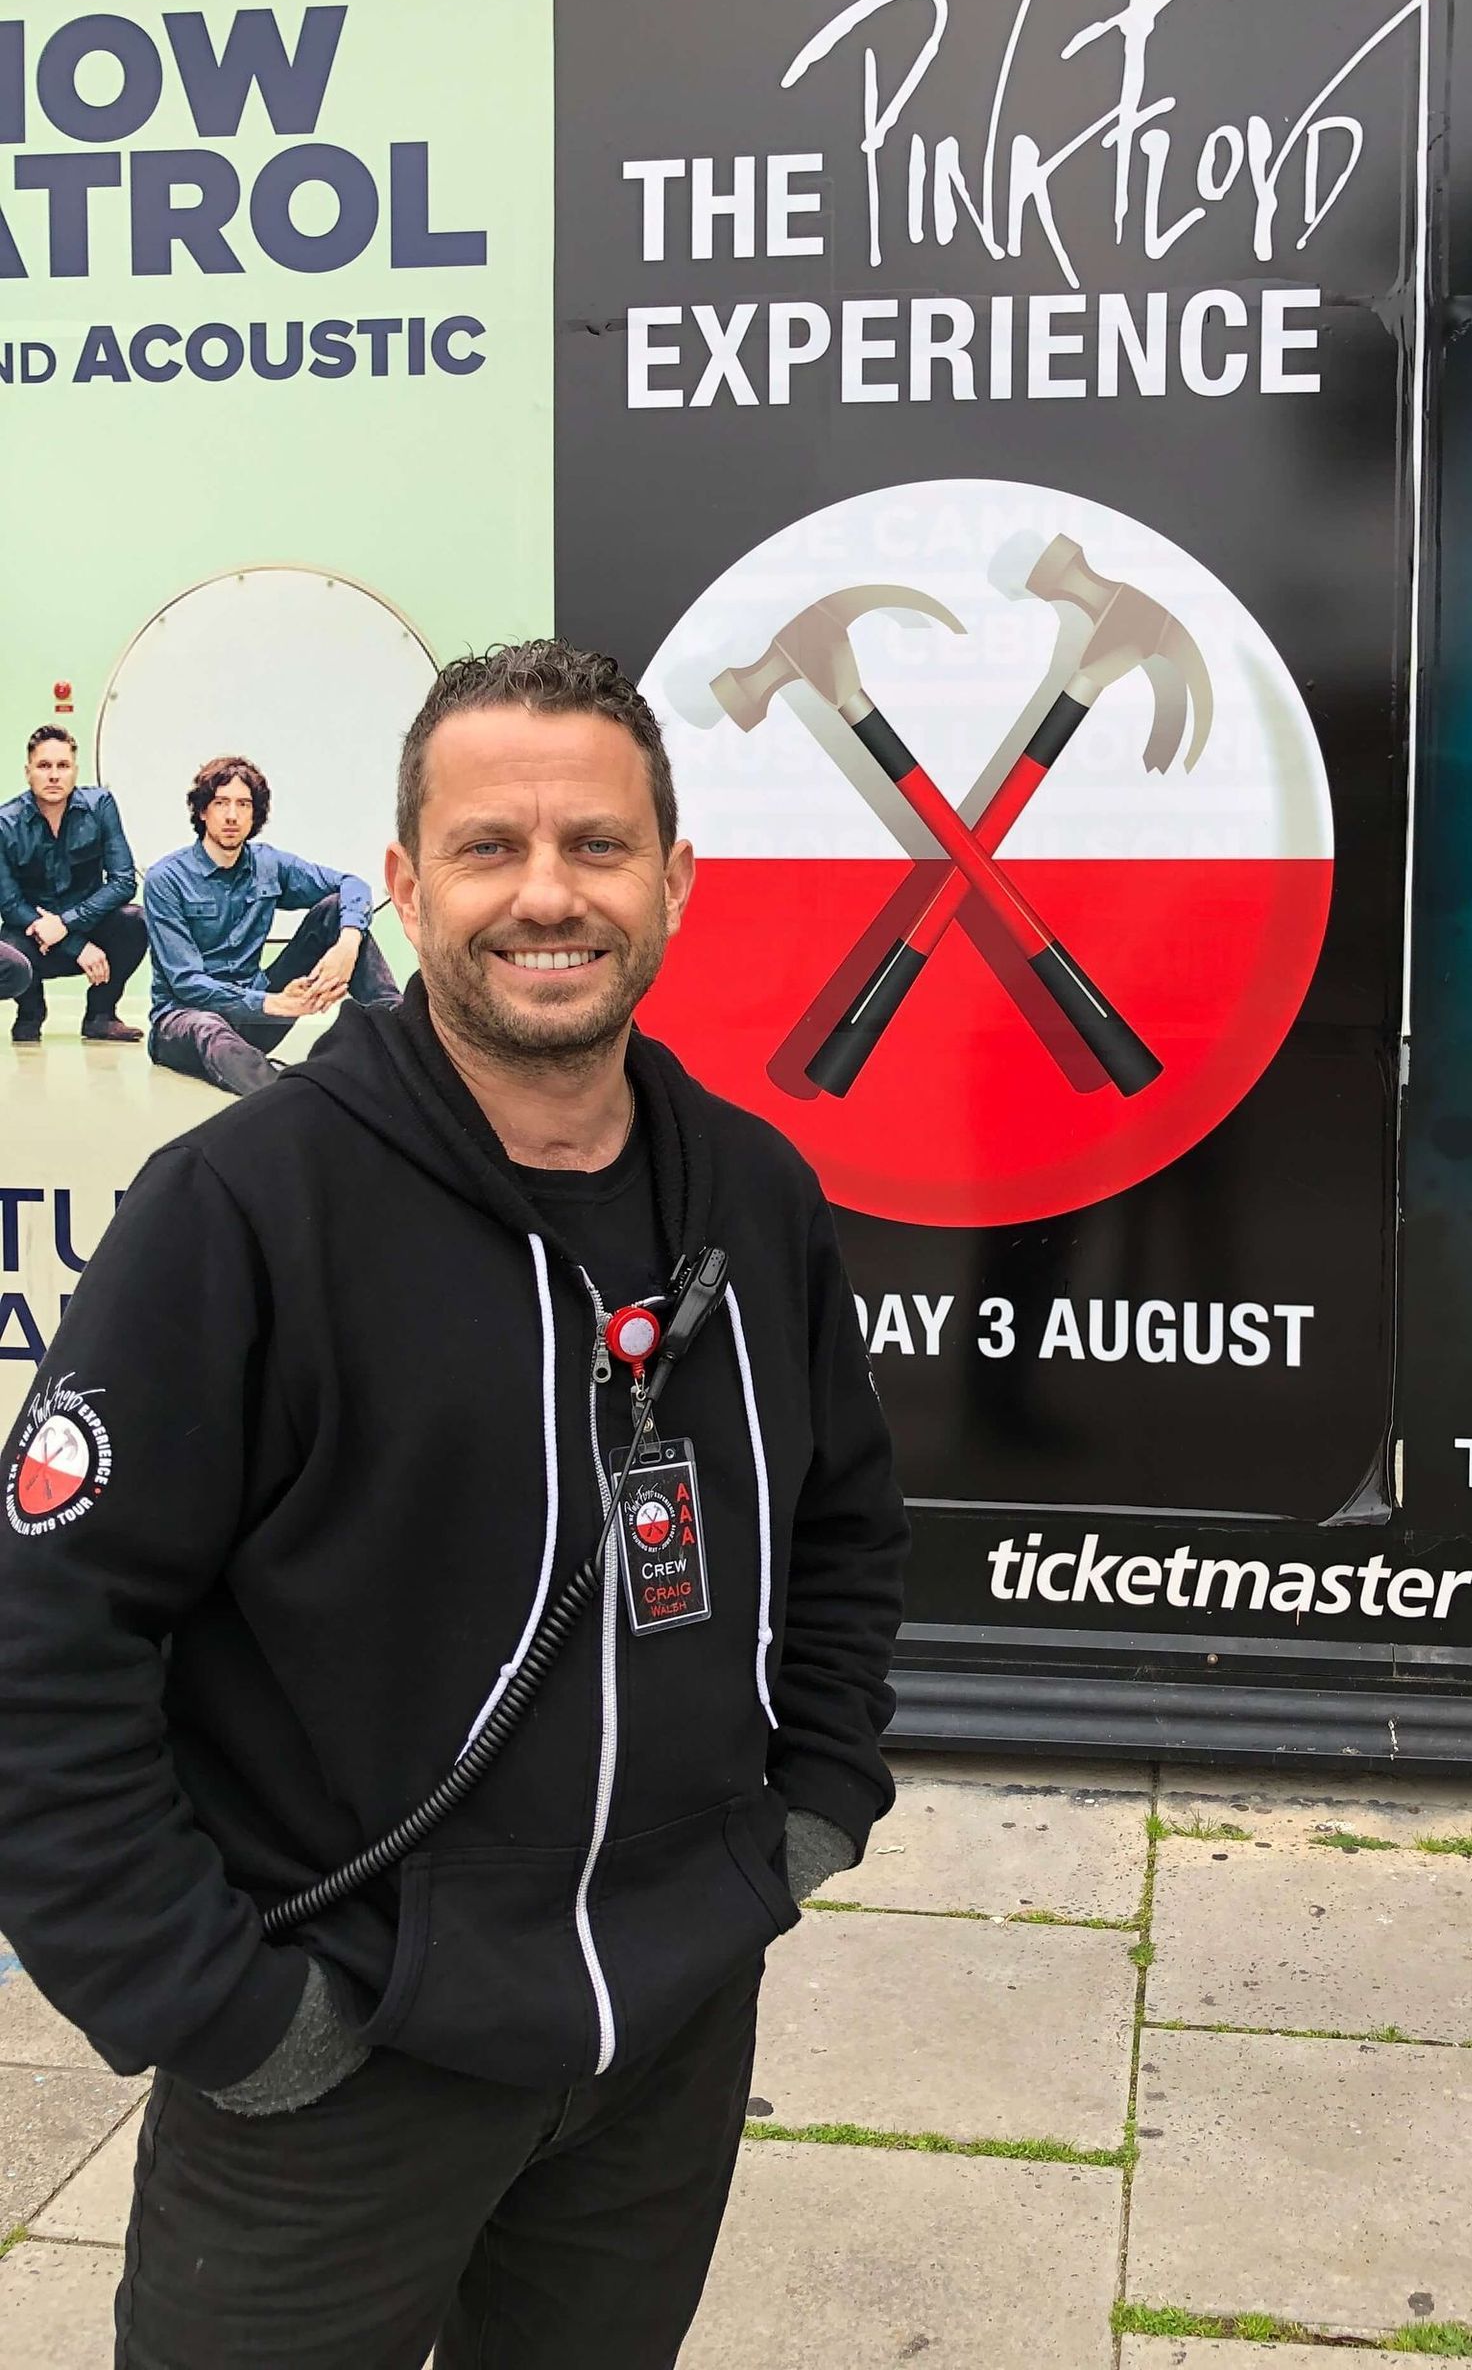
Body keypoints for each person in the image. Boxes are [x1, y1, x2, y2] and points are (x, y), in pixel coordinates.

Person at [0, 642, 908, 2367]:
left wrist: (803, 1819)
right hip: (336, 2071)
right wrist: (225, 2009)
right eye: (490, 848)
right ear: (407, 886)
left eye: (598, 846)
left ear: (675, 881)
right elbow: (45, 1638)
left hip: (664, 2042)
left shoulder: (754, 1198)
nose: (546, 895)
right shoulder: (241, 1209)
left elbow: (848, 1527)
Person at [143, 752, 401, 1096]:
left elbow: (352, 885)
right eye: (221, 803)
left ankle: (404, 1042)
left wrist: (347, 943)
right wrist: (274, 1003)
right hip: (184, 1022)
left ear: (255, 815)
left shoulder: (268, 864)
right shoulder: (166, 879)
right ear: (203, 811)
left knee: (336, 909)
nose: (232, 816)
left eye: (243, 805)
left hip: (254, 1015)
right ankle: (291, 1098)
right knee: (209, 1028)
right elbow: (187, 983)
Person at [0, 723, 148, 1045]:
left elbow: (123, 882)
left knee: (136, 921)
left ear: (75, 771)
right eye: (44, 766)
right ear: (28, 772)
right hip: (32, 935)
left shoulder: (101, 806)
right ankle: (30, 1014)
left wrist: (67, 925)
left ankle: (101, 1015)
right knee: (9, 949)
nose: (54, 775)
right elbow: (10, 904)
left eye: (62, 766)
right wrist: (72, 944)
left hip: (90, 927)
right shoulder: (5, 823)